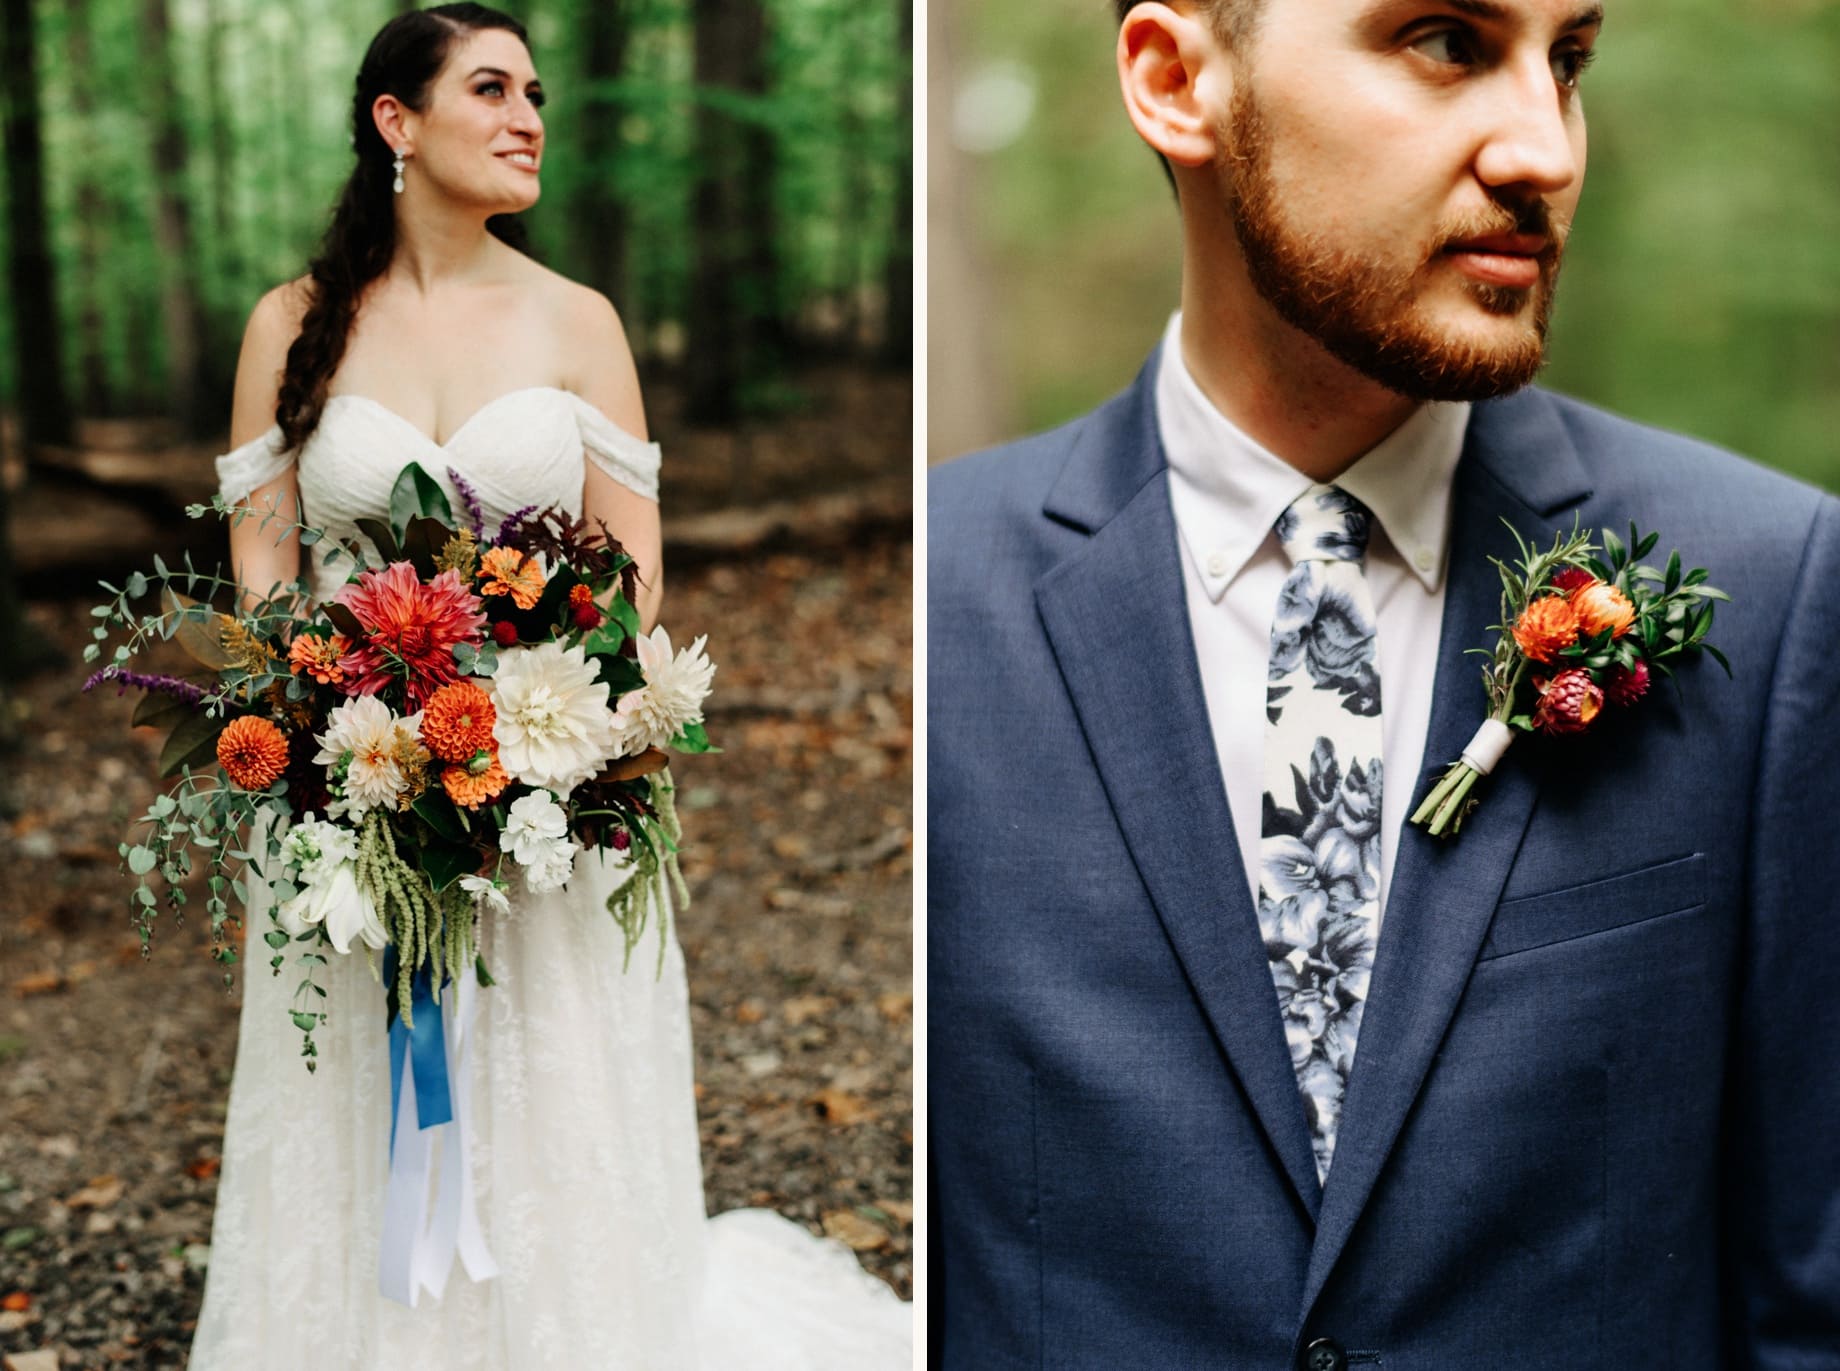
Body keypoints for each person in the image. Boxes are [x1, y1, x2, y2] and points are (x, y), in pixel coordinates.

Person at [928, 1, 1840, 1367]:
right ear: (1178, 82)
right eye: (1444, 40)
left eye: (1569, 59)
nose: (1546, 147)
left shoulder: (1769, 582)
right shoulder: (941, 597)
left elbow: (1807, 1293)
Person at [190, 7, 911, 1367]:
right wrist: (342, 739)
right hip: (346, 785)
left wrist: (554, 734)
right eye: (490, 88)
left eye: (537, 90)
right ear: (395, 122)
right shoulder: (289, 325)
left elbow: (638, 575)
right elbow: (265, 574)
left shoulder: (580, 320)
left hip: (547, 791)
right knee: (348, 1081)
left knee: (556, 1079)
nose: (529, 115)